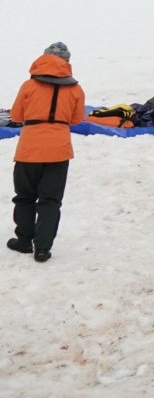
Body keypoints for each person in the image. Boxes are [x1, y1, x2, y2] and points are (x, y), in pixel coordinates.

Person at [7, 41, 85, 263]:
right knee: (50, 201)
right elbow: (77, 119)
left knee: (24, 197)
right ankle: (42, 249)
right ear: (67, 63)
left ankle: (24, 241)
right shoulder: (76, 89)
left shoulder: (28, 86)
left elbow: (16, 116)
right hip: (59, 151)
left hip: (29, 151)